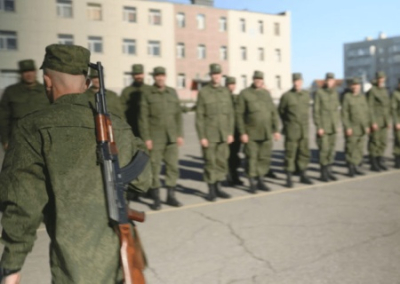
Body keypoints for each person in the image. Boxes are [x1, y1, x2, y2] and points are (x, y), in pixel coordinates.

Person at [0, 44, 151, 284]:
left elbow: (22, 204)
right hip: (120, 261)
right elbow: (143, 181)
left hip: (75, 266)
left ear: (47, 81)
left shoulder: (32, 127)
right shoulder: (117, 126)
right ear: (87, 84)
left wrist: (12, 265)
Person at [139, 67, 183, 210]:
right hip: (155, 137)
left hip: (171, 137)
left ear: (165, 76)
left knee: (172, 167)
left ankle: (171, 196)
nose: (160, 78)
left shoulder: (172, 92)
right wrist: (147, 138)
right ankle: (156, 198)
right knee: (154, 167)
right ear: (154, 77)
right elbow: (143, 118)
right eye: (157, 75)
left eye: (162, 75)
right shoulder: (147, 94)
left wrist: (180, 134)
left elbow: (178, 115)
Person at [236, 71, 280, 193]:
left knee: (264, 158)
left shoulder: (266, 94)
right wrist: (242, 132)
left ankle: (261, 180)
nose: (258, 81)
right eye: (256, 78)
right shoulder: (244, 94)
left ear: (263, 80)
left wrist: (276, 130)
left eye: (260, 79)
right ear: (253, 79)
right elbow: (239, 115)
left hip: (266, 132)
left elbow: (273, 113)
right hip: (251, 133)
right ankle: (252, 182)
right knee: (251, 158)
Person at [195, 63, 234, 201]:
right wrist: (202, 136)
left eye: (218, 74)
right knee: (210, 162)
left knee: (221, 161)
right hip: (209, 135)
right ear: (211, 75)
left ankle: (218, 188)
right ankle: (211, 190)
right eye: (214, 74)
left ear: (220, 76)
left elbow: (230, 114)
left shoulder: (225, 92)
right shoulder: (204, 92)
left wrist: (230, 133)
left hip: (223, 134)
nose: (216, 77)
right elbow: (199, 116)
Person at [0, 59, 49, 150]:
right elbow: (3, 118)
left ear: (35, 72)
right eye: (25, 72)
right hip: (18, 139)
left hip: (41, 139)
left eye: (31, 71)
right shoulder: (11, 92)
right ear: (21, 74)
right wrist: (5, 140)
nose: (29, 74)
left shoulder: (45, 91)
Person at [278, 73, 313, 188]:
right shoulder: (287, 96)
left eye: (298, 81)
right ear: (292, 82)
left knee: (304, 153)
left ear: (302, 82)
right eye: (295, 81)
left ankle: (303, 174)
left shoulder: (306, 95)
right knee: (290, 154)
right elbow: (281, 112)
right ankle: (289, 177)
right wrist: (288, 124)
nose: (297, 83)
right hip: (292, 130)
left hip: (303, 130)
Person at [313, 72, 340, 182]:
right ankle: (323, 173)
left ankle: (329, 171)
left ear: (334, 82)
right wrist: (319, 126)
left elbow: (336, 110)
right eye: (328, 80)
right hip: (323, 127)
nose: (330, 82)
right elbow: (316, 111)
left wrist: (337, 125)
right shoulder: (319, 93)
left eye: (332, 80)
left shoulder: (335, 93)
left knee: (331, 150)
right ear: (325, 81)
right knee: (324, 150)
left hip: (333, 127)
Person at [341, 77, 370, 176]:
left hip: (361, 127)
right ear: (350, 86)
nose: (355, 87)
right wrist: (347, 127)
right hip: (352, 127)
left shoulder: (362, 97)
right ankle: (351, 168)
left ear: (360, 86)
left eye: (357, 85)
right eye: (353, 85)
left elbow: (366, 112)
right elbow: (344, 113)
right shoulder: (347, 97)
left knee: (359, 148)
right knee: (351, 148)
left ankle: (357, 166)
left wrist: (366, 125)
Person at [366, 71, 391, 171]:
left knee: (383, 142)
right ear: (376, 79)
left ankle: (380, 160)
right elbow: (370, 107)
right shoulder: (373, 91)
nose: (381, 80)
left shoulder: (384, 90)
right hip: (376, 121)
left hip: (384, 121)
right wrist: (372, 122)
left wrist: (388, 121)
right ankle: (373, 162)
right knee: (374, 142)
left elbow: (387, 107)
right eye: (380, 78)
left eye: (383, 78)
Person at [120, 64, 150, 138]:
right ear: (133, 76)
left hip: (148, 127)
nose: (138, 76)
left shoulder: (149, 90)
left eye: (140, 74)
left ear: (143, 74)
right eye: (136, 74)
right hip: (132, 126)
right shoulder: (126, 91)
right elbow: (121, 110)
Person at [226, 76, 243, 186]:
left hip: (236, 130)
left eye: (233, 84)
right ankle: (231, 177)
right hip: (228, 131)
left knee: (235, 154)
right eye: (230, 84)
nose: (232, 86)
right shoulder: (223, 97)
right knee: (229, 155)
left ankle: (234, 175)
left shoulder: (237, 98)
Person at [391, 78, 400, 168]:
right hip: (399, 122)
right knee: (398, 141)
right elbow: (393, 110)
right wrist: (396, 122)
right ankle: (397, 161)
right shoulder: (395, 94)